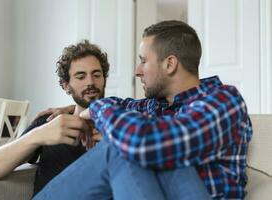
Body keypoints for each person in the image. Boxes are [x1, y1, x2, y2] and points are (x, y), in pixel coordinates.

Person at [34, 20, 252, 200]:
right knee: (125, 142)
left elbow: (143, 142)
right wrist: (76, 108)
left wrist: (97, 108)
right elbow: (120, 105)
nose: (137, 72)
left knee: (123, 146)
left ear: (170, 64)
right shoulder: (157, 106)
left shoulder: (223, 101)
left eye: (143, 61)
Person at [0, 40, 109, 196]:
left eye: (97, 75)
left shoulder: (123, 126)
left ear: (104, 79)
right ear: (66, 86)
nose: (90, 82)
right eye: (81, 77)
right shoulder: (50, 121)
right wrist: (39, 135)